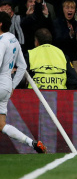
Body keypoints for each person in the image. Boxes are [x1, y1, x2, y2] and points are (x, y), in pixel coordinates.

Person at [0, 11, 46, 153]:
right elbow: (23, 66)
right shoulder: (13, 38)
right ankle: (32, 143)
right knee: (1, 125)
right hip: (6, 86)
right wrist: (13, 86)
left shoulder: (1, 41)